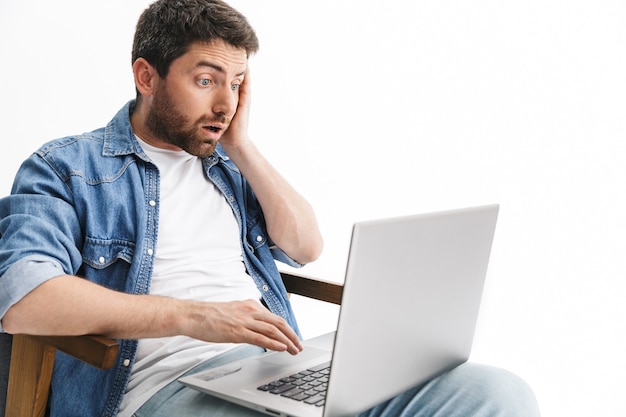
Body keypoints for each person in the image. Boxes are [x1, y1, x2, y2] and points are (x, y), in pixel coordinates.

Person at [0, 1, 541, 416]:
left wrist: (241, 145)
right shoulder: (67, 166)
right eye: (206, 79)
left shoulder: (227, 168)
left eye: (236, 84)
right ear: (146, 76)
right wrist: (193, 316)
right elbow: (24, 296)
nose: (225, 104)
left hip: (276, 372)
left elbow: (305, 246)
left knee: (495, 393)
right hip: (164, 390)